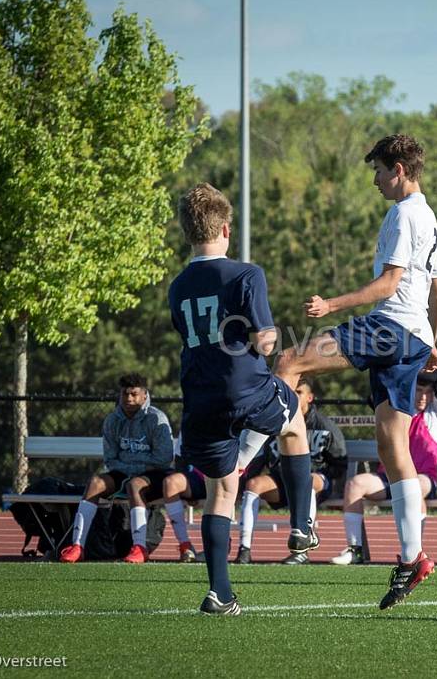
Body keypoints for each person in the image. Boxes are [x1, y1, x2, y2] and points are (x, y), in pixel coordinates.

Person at [274, 134, 437, 610]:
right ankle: (412, 560)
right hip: (412, 338)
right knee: (394, 450)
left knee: (289, 362)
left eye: (377, 171)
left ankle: (297, 511)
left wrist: (331, 304)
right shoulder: (429, 217)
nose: (374, 180)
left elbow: (390, 284)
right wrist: (431, 342)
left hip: (388, 328)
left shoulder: (402, 214)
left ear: (397, 169)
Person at [167, 183, 312, 616]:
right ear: (226, 228)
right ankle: (302, 526)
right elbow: (264, 342)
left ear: (188, 233)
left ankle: (220, 593)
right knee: (295, 423)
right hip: (246, 389)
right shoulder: (247, 274)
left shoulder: (177, 285)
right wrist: (266, 334)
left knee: (221, 490)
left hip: (199, 396)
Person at [331, 369, 437, 565]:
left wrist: (428, 353)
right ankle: (355, 549)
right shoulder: (394, 410)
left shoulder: (435, 415)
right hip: (389, 478)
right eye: (419, 390)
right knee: (355, 484)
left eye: (428, 392)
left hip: (424, 478)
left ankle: (415, 553)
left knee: (416, 486)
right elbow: (378, 389)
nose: (423, 396)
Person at [59, 373, 174, 564]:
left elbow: (163, 459)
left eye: (134, 394)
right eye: (124, 394)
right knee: (95, 483)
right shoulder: (112, 420)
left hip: (152, 475)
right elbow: (110, 460)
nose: (129, 399)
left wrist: (133, 467)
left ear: (144, 396)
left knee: (135, 485)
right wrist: (128, 468)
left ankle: (139, 548)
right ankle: (78, 546)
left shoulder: (157, 419)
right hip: (122, 473)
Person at [235, 378, 347, 564]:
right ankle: (244, 549)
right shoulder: (276, 420)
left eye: (299, 392)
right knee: (253, 484)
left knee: (308, 479)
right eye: (291, 391)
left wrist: (332, 480)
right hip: (282, 480)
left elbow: (339, 462)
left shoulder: (325, 425)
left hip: (317, 481)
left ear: (310, 397)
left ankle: (302, 546)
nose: (293, 395)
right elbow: (261, 456)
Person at [161, 450, 208, 563]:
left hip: (224, 476)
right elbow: (181, 459)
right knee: (170, 482)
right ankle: (185, 545)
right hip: (197, 477)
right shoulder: (189, 432)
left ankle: (219, 546)